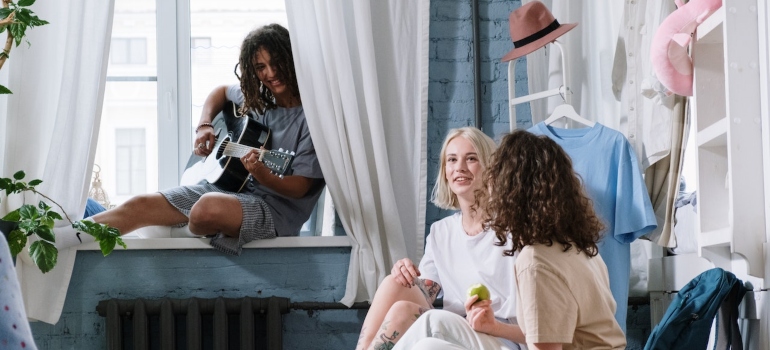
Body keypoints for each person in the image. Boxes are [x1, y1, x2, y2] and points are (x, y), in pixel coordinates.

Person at [57, 23, 325, 255]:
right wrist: (204, 126)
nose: (270, 73)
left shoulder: (313, 118)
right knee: (141, 204)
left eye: (276, 62)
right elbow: (220, 92)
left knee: (206, 209)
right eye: (260, 67)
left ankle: (179, 231)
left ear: (291, 58)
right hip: (229, 190)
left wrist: (262, 173)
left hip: (274, 212)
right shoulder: (258, 102)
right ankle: (56, 241)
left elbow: (301, 188)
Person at [356, 127, 525, 350]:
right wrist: (403, 273)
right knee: (394, 283)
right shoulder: (441, 232)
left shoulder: (514, 228)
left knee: (415, 327)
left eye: (471, 158)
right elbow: (426, 293)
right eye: (452, 160)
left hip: (498, 336)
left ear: (490, 167)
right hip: (453, 329)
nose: (460, 168)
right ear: (445, 171)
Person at [479, 130, 626, 349]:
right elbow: (556, 333)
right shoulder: (579, 249)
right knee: (436, 323)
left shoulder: (535, 262)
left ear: (510, 192)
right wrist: (494, 327)